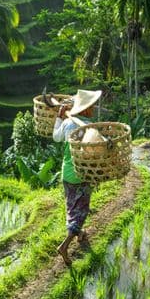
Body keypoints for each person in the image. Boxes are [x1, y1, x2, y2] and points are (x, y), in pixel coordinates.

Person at [53, 89, 102, 265]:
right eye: (92, 106)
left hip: (66, 172)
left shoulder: (67, 123)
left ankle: (79, 234)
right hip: (82, 174)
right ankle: (64, 246)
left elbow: (56, 137)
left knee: (71, 206)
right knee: (81, 211)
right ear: (87, 109)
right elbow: (98, 152)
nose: (94, 108)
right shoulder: (91, 127)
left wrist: (59, 117)